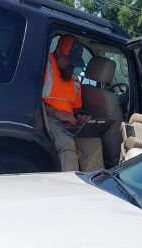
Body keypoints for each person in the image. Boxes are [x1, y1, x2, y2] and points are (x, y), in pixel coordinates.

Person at [42, 35, 101, 171]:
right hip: (45, 117)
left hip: (68, 122)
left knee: (93, 142)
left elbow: (76, 109)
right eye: (70, 60)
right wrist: (56, 112)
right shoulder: (45, 66)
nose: (72, 65)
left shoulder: (74, 80)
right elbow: (32, 99)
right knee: (67, 144)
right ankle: (68, 189)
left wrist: (81, 117)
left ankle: (94, 189)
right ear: (58, 52)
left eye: (76, 62)